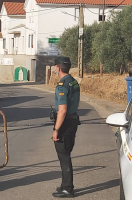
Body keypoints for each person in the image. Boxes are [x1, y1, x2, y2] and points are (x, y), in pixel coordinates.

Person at [51, 56, 80, 198]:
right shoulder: (74, 82)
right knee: (66, 153)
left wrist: (56, 130)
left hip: (65, 123)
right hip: (73, 120)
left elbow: (62, 110)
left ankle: (68, 188)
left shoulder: (62, 85)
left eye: (55, 67)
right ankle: (64, 184)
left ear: (58, 67)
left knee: (64, 156)